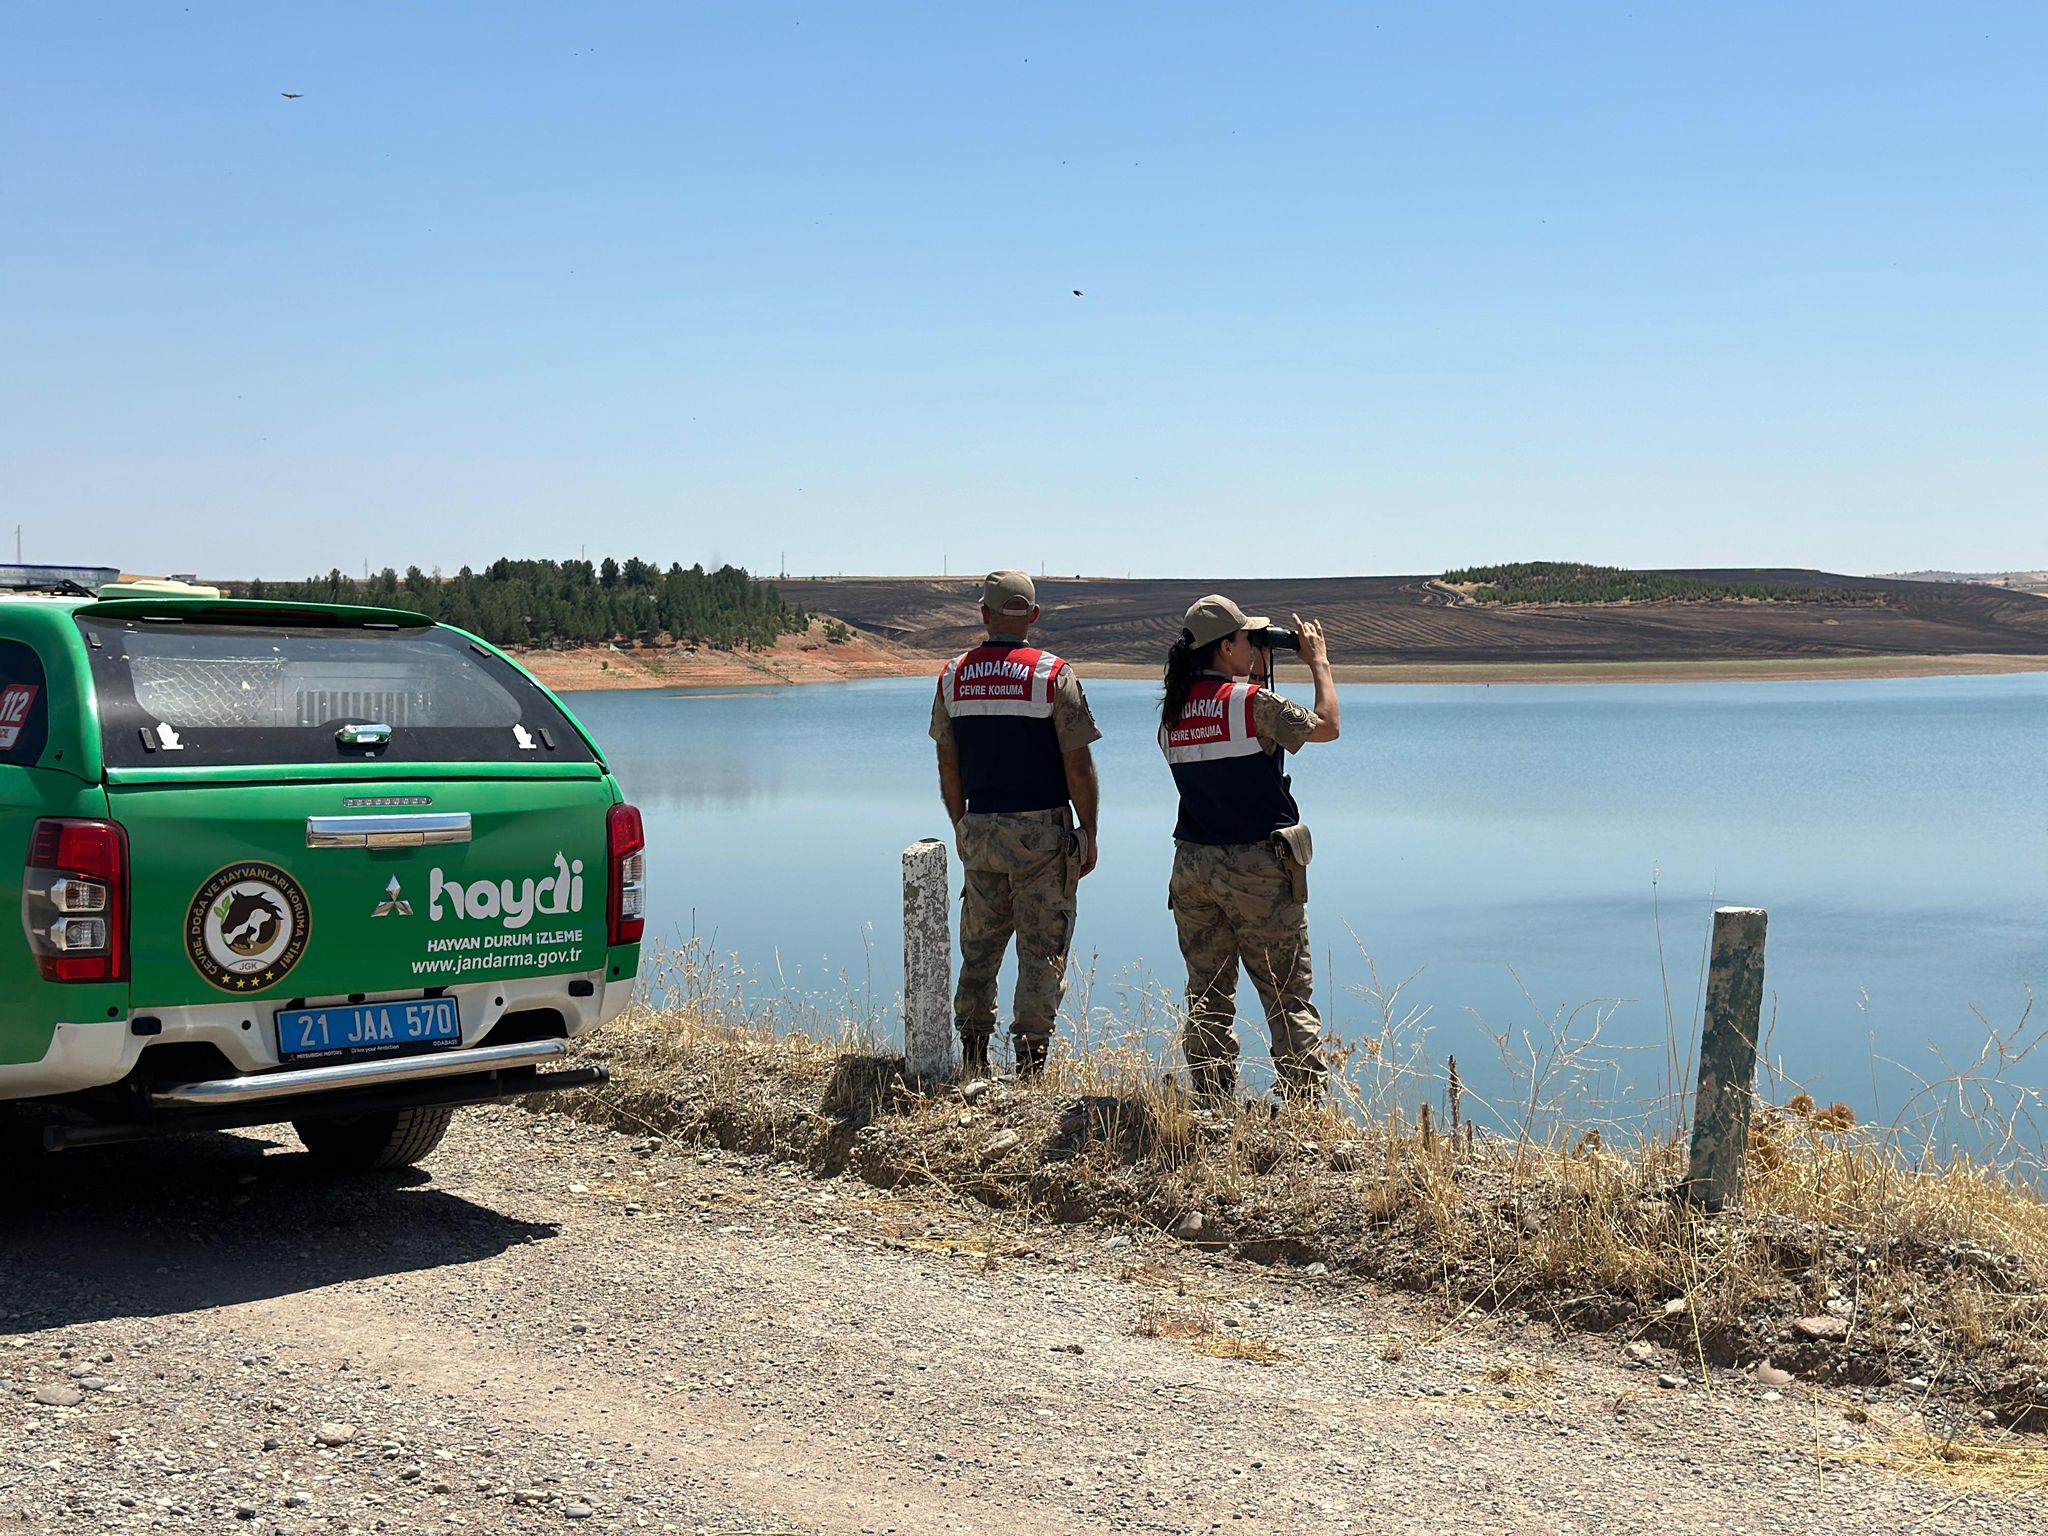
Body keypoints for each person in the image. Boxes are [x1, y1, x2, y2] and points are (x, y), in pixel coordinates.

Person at [1158, 594, 1340, 1104]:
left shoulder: (1172, 717)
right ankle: (1305, 1109)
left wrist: (1255, 668)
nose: (1253, 646)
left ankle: (1213, 1100)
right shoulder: (1250, 704)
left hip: (1193, 867)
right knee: (1287, 996)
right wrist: (1318, 664)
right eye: (1247, 639)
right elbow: (1327, 726)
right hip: (1258, 869)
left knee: (1208, 994)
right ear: (1225, 647)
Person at [931, 570, 1101, 1077]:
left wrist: (961, 823)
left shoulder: (953, 675)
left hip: (980, 829)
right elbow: (1078, 765)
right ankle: (1029, 1067)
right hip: (1043, 836)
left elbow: (947, 763)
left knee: (979, 948)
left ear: (984, 615)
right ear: (1032, 616)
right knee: (1041, 950)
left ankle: (973, 1058)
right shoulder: (1053, 674)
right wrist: (1088, 831)